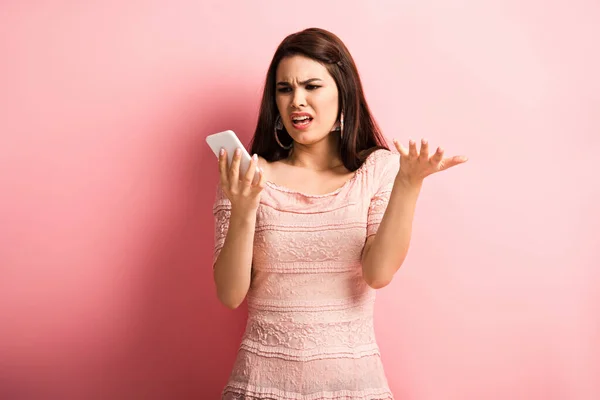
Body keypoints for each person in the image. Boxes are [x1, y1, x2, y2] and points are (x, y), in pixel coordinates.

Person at [212, 27, 467, 399]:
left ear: (342, 92)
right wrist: (245, 207)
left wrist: (409, 184)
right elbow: (230, 293)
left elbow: (378, 274)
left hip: (353, 387)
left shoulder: (377, 171)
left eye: (312, 86)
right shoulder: (247, 178)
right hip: (260, 386)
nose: (297, 100)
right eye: (285, 89)